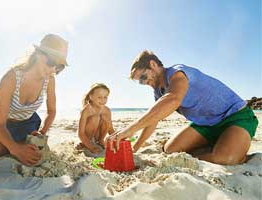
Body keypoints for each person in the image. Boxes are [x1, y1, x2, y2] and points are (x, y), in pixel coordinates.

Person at [106, 50, 258, 165]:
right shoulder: (158, 92)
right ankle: (218, 144)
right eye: (140, 82)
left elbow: (174, 98)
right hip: (205, 124)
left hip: (235, 116)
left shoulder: (177, 72)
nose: (144, 83)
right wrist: (135, 147)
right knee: (170, 150)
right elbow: (154, 119)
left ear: (153, 64)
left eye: (144, 77)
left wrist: (129, 129)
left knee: (227, 158)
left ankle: (228, 148)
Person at [0, 34, 69, 166]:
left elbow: (51, 111)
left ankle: (19, 142)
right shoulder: (11, 78)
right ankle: (18, 143)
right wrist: (16, 150)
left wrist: (42, 132)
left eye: (59, 67)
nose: (53, 70)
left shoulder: (50, 80)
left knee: (27, 147)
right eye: (51, 62)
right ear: (39, 54)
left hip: (26, 123)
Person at [77, 83, 114, 154]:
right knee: (95, 118)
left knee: (105, 117)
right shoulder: (86, 110)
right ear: (91, 96)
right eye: (99, 97)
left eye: (105, 97)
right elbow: (81, 133)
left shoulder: (107, 110)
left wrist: (118, 140)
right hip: (87, 137)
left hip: (98, 136)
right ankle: (86, 143)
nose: (103, 100)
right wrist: (91, 147)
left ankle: (100, 141)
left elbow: (110, 129)